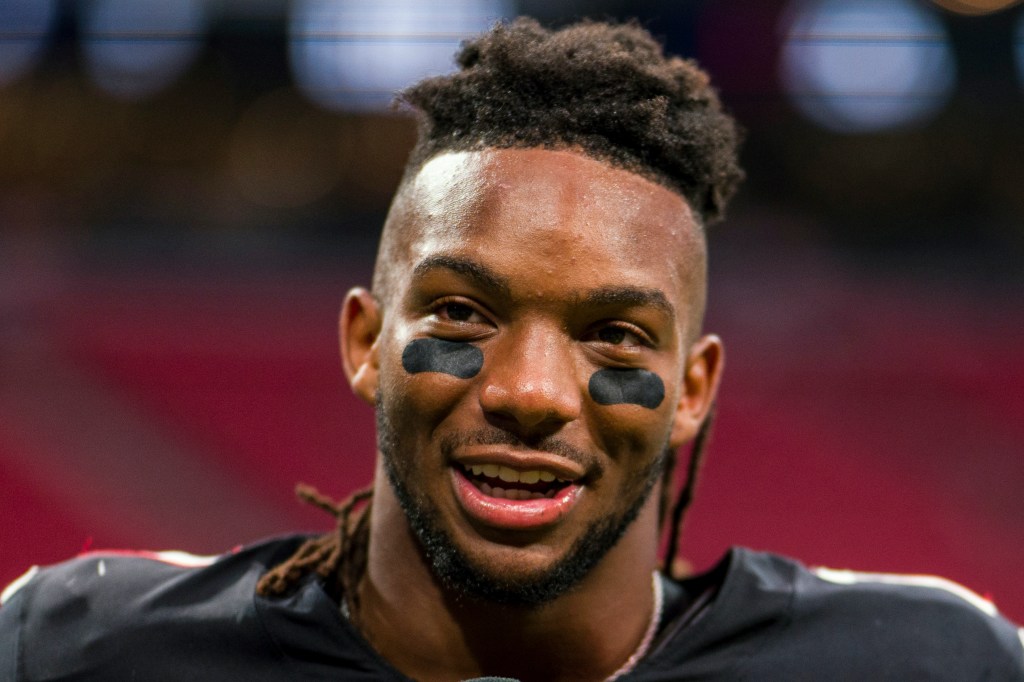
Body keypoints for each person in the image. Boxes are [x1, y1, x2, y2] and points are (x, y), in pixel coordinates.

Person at [1, 17, 1021, 682]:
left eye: (614, 333)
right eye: (459, 316)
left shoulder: (925, 664)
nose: (530, 391)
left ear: (693, 386)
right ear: (365, 338)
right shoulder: (79, 652)